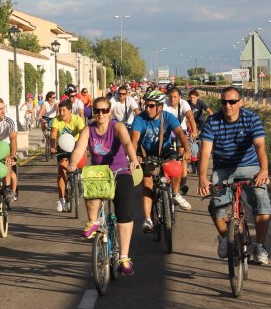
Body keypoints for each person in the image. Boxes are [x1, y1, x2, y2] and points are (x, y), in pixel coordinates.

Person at [197, 86, 271, 264]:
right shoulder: (213, 121)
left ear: (240, 102)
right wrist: (202, 178)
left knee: (261, 199)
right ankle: (225, 237)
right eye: (224, 102)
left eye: (232, 102)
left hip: (249, 165)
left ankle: (259, 246)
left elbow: (260, 146)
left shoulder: (251, 118)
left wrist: (264, 169)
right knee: (216, 205)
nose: (228, 105)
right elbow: (205, 153)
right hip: (223, 168)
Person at [69, 97, 140, 275]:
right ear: (93, 111)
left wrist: (133, 160)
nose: (100, 114)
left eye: (104, 110)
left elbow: (127, 143)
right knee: (90, 187)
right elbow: (79, 149)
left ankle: (124, 256)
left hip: (120, 171)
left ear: (110, 112)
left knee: (124, 214)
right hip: (99, 172)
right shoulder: (89, 129)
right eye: (97, 110)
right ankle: (93, 223)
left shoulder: (117, 127)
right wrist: (72, 164)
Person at [130, 90, 192, 234]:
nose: (148, 109)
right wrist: (133, 158)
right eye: (146, 105)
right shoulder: (140, 119)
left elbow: (180, 134)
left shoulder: (168, 117)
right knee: (147, 183)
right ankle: (148, 219)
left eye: (152, 106)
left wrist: (187, 149)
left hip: (164, 149)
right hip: (145, 152)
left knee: (176, 166)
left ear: (160, 107)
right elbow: (133, 142)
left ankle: (175, 194)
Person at [50, 100, 86, 212]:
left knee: (80, 164)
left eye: (64, 110)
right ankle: (62, 199)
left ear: (70, 110)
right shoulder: (56, 120)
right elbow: (53, 134)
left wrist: (84, 145)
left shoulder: (78, 119)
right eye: (60, 110)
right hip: (62, 145)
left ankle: (79, 179)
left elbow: (83, 133)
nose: (61, 113)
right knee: (62, 169)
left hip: (76, 145)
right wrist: (52, 146)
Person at [164, 87, 198, 194]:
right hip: (167, 132)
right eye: (170, 97)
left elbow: (190, 117)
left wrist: (194, 131)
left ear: (179, 97)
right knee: (166, 157)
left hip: (181, 132)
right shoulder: (165, 103)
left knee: (182, 157)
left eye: (175, 97)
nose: (172, 99)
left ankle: (183, 183)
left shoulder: (184, 104)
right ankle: (166, 180)